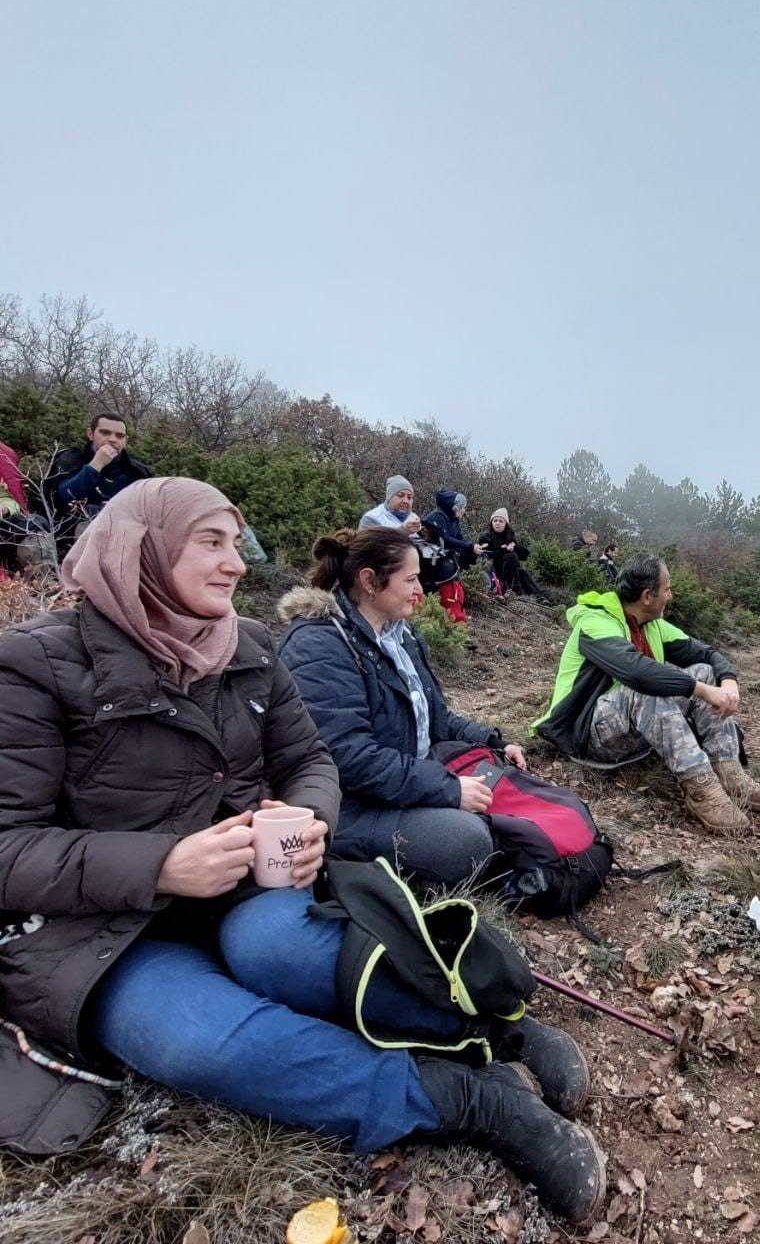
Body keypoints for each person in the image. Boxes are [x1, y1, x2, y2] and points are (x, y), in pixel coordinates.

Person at [0, 481, 605, 1223]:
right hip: (103, 934)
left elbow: (313, 760)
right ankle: (465, 1100)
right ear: (142, 548)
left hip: (242, 885)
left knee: (293, 954)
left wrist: (309, 818)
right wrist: (162, 864)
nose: (235, 565)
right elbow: (9, 847)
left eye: (236, 543)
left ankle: (487, 1030)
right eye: (211, 542)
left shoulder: (248, 646)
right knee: (198, 1042)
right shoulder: (34, 664)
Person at [277, 527, 518, 886]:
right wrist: (448, 790)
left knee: (504, 791)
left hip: (400, 783)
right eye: (411, 580)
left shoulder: (401, 636)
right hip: (348, 805)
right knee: (467, 840)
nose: (421, 591)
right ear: (370, 581)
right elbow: (348, 758)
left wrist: (493, 742)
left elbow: (435, 719)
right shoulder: (319, 645)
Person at [533, 553, 760, 834]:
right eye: (667, 589)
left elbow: (707, 653)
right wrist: (700, 691)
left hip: (628, 726)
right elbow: (637, 673)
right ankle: (700, 788)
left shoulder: (651, 624)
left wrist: (727, 681)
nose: (671, 596)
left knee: (703, 670)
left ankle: (728, 770)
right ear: (648, 596)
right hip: (585, 735)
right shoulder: (594, 623)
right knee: (646, 687)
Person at [43, 411, 152, 558]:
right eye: (105, 433)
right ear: (91, 434)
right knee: (90, 514)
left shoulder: (136, 471)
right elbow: (66, 496)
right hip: (69, 534)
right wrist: (95, 465)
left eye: (119, 436)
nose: (113, 439)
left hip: (123, 539)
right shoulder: (70, 459)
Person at [425, 490, 481, 624]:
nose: (464, 510)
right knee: (451, 564)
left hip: (446, 555)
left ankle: (464, 580)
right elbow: (445, 539)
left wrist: (472, 547)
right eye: (463, 507)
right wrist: (468, 546)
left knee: (470, 553)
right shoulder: (438, 516)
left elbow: (458, 539)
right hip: (432, 557)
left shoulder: (453, 519)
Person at [0, 438, 53, 576]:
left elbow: (10, 497)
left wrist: (5, 507)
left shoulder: (4, 455)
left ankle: (42, 584)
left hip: (3, 526)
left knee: (35, 523)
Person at [479, 508, 549, 602]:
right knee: (510, 556)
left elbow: (525, 554)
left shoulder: (509, 536)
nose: (497, 523)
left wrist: (514, 546)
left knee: (521, 572)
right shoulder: (486, 537)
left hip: (510, 573)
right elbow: (486, 554)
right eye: (495, 521)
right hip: (494, 573)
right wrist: (504, 549)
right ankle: (513, 591)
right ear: (491, 523)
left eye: (500, 521)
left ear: (505, 524)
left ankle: (540, 598)